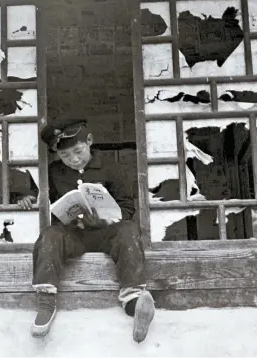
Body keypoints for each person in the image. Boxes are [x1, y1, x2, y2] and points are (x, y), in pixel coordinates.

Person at [17, 117, 155, 343]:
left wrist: (106, 219)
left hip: (106, 233)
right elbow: (38, 194)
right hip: (72, 234)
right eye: (64, 155)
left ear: (89, 141)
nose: (73, 159)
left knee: (129, 230)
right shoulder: (53, 172)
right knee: (49, 235)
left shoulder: (111, 167)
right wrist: (27, 198)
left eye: (77, 151)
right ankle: (46, 302)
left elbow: (127, 206)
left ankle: (133, 301)